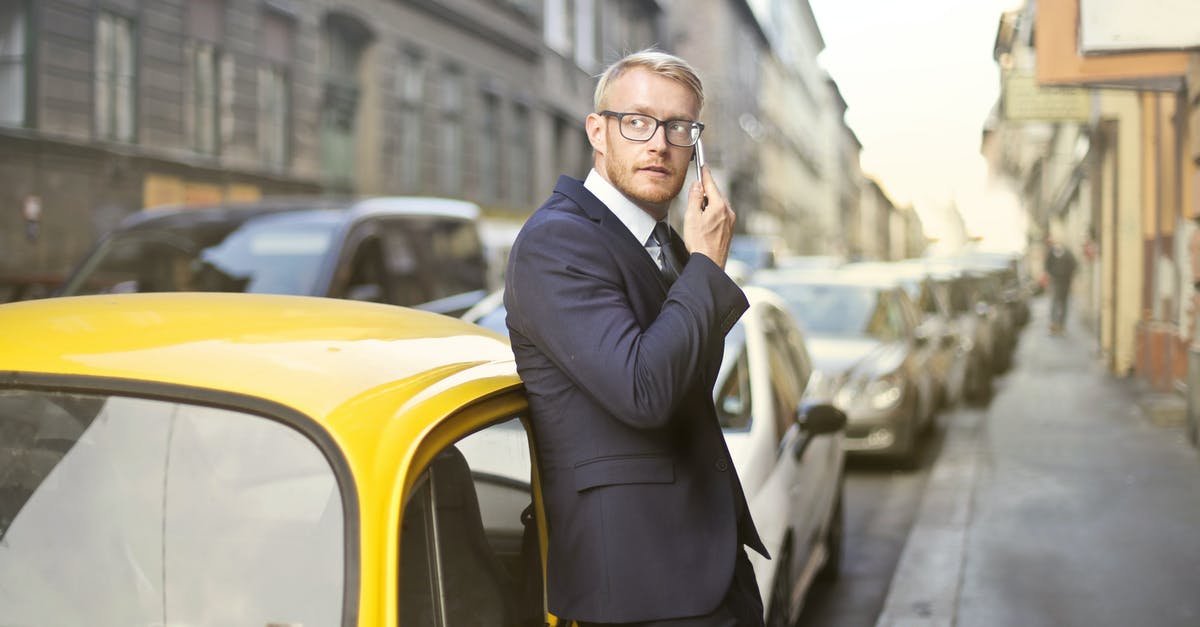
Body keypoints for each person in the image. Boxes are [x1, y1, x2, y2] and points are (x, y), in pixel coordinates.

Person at [504, 49, 767, 626]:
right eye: (638, 121)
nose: (659, 143)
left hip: (706, 565)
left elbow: (689, 383)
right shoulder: (557, 242)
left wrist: (695, 263)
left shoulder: (666, 245)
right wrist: (707, 267)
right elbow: (644, 391)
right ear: (598, 131)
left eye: (679, 127)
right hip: (639, 588)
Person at [1044, 239, 1077, 334]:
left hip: (1065, 282)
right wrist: (1052, 274)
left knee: (1063, 303)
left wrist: (1068, 275)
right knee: (1054, 302)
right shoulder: (1051, 253)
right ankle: (1054, 324)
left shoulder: (1068, 253)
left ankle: (1061, 324)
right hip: (1055, 281)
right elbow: (1047, 265)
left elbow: (1074, 265)